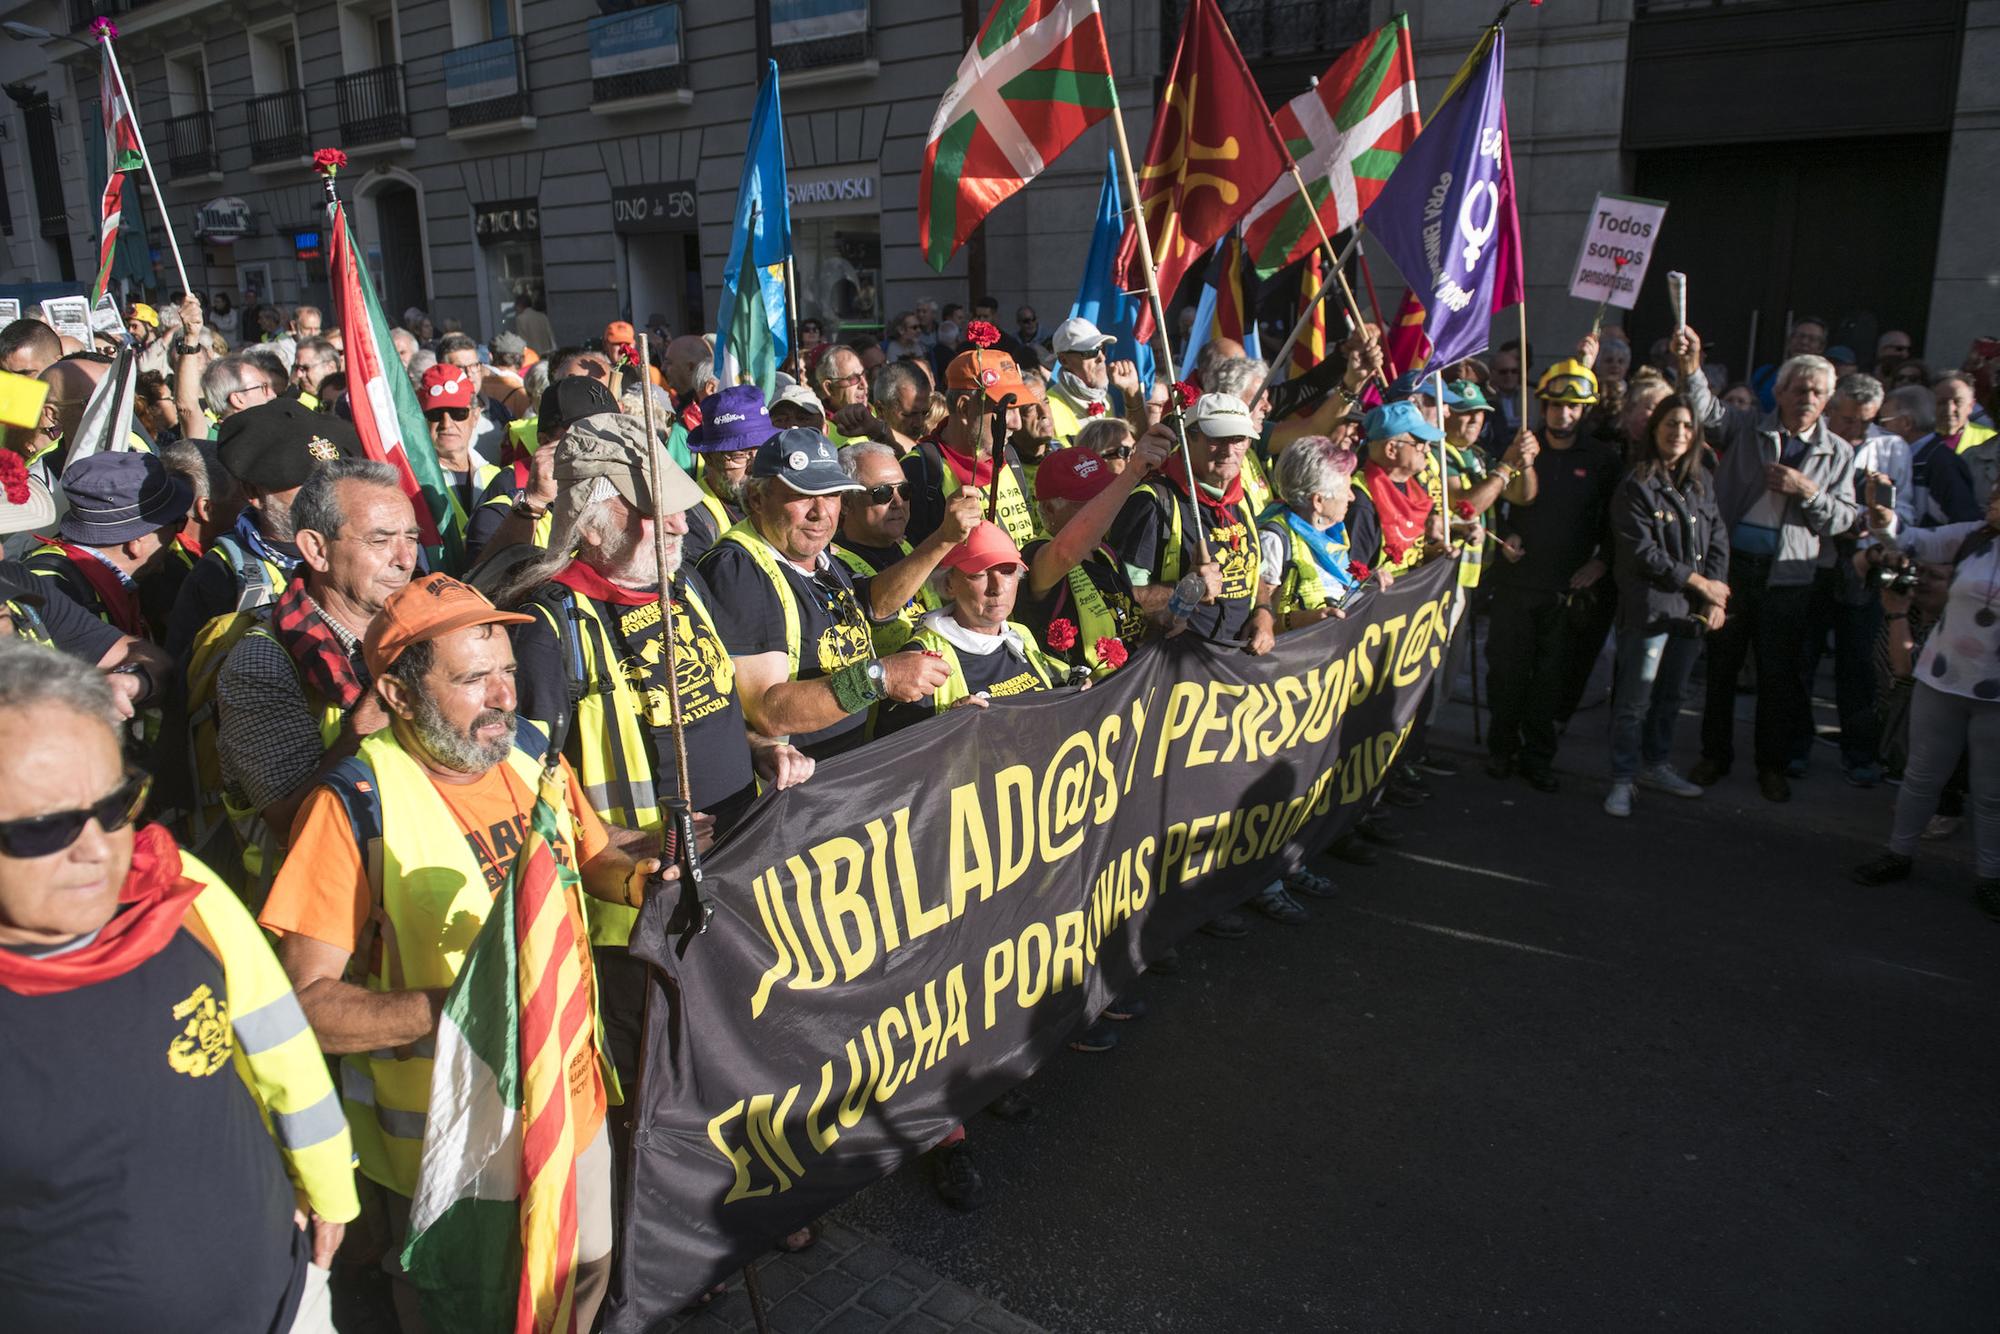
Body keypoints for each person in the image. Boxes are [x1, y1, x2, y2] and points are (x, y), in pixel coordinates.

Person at [259, 573, 659, 1331]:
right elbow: (304, 1008)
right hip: (451, 1155)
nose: (505, 696)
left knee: (583, 1283)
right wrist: (466, 1010)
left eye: (507, 670)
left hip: (571, 1101)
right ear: (401, 696)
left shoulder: (529, 751)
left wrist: (642, 879)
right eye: (474, 679)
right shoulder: (352, 805)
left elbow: (593, 856)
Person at [0, 640, 355, 1334]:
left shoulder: (182, 896)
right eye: (46, 827)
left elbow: (280, 1043)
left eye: (115, 805)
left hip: (289, 1299)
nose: (97, 848)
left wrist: (332, 1189)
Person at [696, 428, 977, 760]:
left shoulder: (816, 554)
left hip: (848, 772)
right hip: (798, 792)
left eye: (832, 495)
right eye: (802, 495)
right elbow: (769, 711)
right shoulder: (740, 568)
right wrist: (880, 677)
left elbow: (873, 605)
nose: (820, 512)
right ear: (757, 499)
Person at [210, 460, 418, 893]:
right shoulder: (262, 664)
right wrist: (372, 716)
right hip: (323, 911)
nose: (404, 560)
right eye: (380, 540)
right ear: (316, 549)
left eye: (411, 537)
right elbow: (290, 821)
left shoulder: (419, 635)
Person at [1675, 327, 1857, 802]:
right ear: (1779, 393)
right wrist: (1691, 367)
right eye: (1800, 390)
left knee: (1780, 678)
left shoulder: (1838, 453)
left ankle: (1771, 766)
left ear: (1828, 402)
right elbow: (1707, 412)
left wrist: (1808, 491)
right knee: (1722, 669)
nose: (1808, 398)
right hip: (1734, 571)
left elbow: (1844, 519)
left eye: (1817, 393)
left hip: (1789, 580)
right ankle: (1714, 756)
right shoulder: (1748, 427)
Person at [1851, 487, 2000, 920]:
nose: (1991, 497)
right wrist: (1885, 521)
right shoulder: (1974, 535)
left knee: (1992, 795)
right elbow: (1912, 540)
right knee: (1920, 776)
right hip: (1941, 678)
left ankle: (1991, 877)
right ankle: (1898, 854)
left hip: (1995, 695)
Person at [1482, 362, 1621, 793]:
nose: (1564, 414)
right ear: (1543, 406)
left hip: (1566, 590)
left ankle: (1538, 757)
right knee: (1505, 673)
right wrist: (1504, 535)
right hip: (1515, 584)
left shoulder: (1603, 459)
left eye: (1574, 407)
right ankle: (1500, 750)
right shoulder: (1520, 448)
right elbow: (1490, 505)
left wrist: (1602, 563)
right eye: (1557, 405)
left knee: (1550, 681)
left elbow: (1617, 522)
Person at [1603, 395, 1728, 817]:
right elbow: (1643, 552)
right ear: (1655, 428)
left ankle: (1656, 765)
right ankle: (1622, 778)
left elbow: (1718, 538)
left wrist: (1717, 593)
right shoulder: (1636, 483)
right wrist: (1701, 584)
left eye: (1688, 426)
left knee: (1672, 695)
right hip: (1652, 608)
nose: (1679, 433)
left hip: (1691, 611)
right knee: (1635, 700)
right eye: (1671, 424)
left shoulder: (1701, 480)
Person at [167, 400, 361, 660]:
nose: (324, 498)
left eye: (332, 483)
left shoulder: (364, 549)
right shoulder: (220, 574)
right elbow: (189, 676)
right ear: (254, 494)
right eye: (307, 486)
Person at [1108, 393, 1275, 650]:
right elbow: (1119, 597)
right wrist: (1186, 589)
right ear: (1188, 438)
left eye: (1239, 439)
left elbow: (1255, 572)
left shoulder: (1241, 498)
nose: (1229, 451)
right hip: (1176, 665)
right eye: (1217, 438)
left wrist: (1264, 614)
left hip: (1235, 661)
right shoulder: (1151, 502)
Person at [28, 452, 192, 642]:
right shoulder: (53, 592)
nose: (176, 538)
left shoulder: (141, 584)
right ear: (138, 541)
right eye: (178, 522)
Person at [903, 330, 1044, 549]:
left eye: (1018, 409)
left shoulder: (1009, 455)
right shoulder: (918, 470)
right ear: (964, 408)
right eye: (1004, 410)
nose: (1016, 423)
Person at [833, 441, 939, 653]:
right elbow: (877, 606)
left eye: (905, 490)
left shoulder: (905, 545)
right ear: (845, 503)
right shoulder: (831, 562)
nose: (899, 502)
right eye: (882, 493)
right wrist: (944, 539)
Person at [1257, 435, 1362, 631]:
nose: (1352, 496)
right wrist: (1303, 620)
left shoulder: (1332, 532)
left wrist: (1373, 581)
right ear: (1318, 501)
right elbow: (1258, 624)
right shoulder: (1273, 540)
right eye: (1346, 489)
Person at [1345, 400, 1452, 578]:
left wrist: (1433, 554)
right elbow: (1352, 575)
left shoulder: (1414, 487)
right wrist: (1371, 577)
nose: (1427, 450)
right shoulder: (1361, 500)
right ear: (1391, 449)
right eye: (1420, 442)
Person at [682, 384, 770, 568]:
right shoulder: (689, 521)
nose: (754, 466)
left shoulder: (781, 500)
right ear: (708, 457)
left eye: (763, 451)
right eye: (740, 455)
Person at [1878, 383, 1980, 529]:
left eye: (1883, 423)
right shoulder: (1911, 459)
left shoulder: (1943, 464)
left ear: (1906, 423)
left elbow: (1964, 525)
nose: (1879, 430)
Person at [1044, 317, 1146, 446]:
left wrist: (1131, 392)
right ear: (1064, 361)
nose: (1101, 358)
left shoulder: (1106, 399)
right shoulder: (1048, 407)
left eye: (1102, 349)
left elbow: (1136, 448)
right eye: (1091, 352)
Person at [290, 338, 340, 411]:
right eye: (296, 368)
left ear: (330, 367)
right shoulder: (292, 405)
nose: (299, 375)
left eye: (305, 368)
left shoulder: (349, 403)